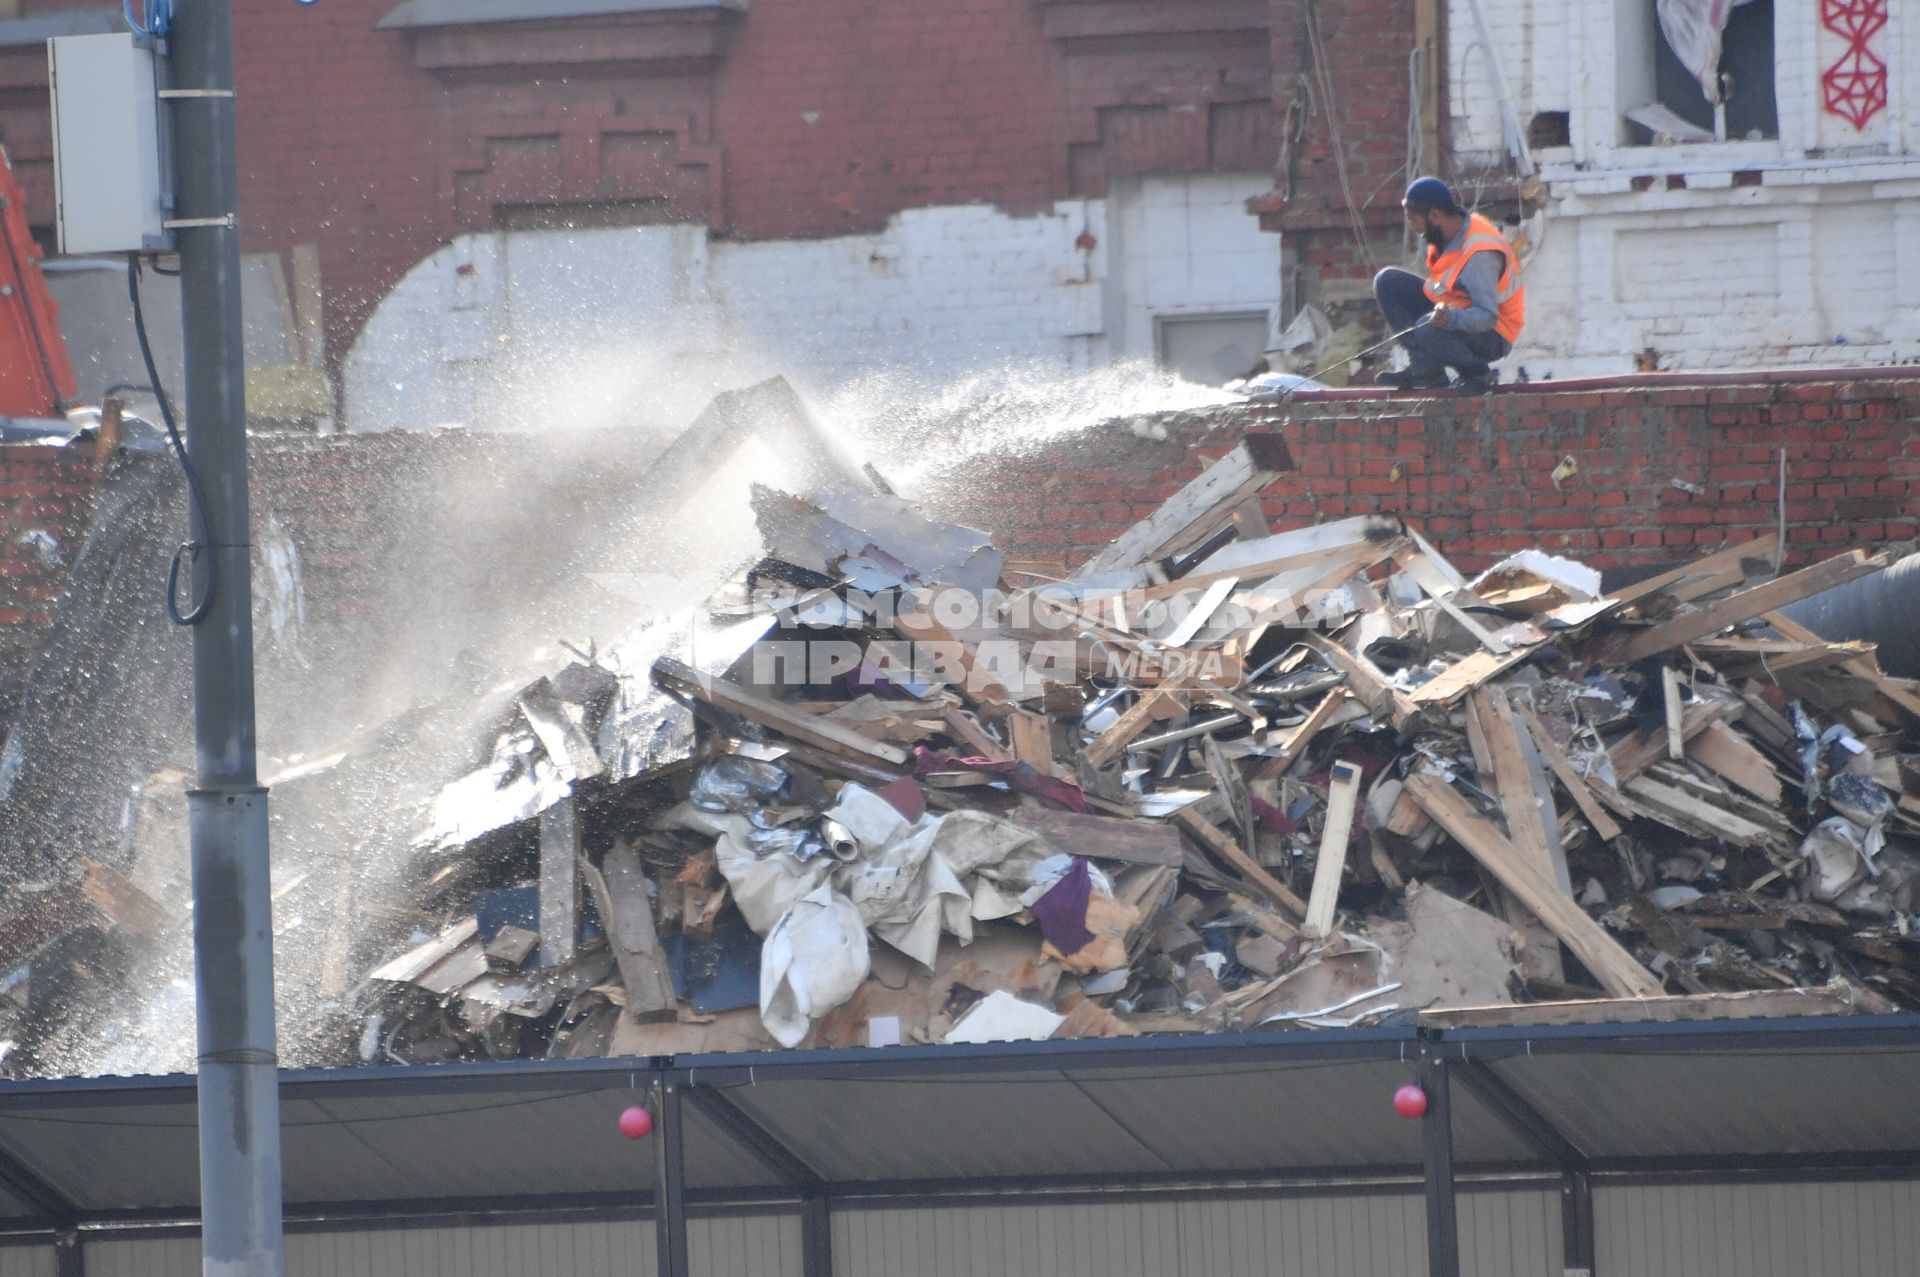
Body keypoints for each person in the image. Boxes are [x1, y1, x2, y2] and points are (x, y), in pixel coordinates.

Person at [1372, 176, 1525, 394]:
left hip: (1493, 334)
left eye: (1414, 220)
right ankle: (1426, 369)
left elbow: (1487, 317)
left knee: (1428, 327)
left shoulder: (1479, 254)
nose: (1414, 228)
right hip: (1453, 311)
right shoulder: (1443, 235)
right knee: (1387, 281)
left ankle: (1476, 373)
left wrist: (1450, 318)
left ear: (1434, 215)